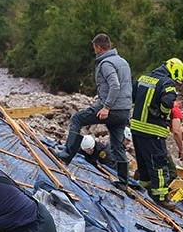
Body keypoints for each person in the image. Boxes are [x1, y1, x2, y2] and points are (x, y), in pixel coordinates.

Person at [56, 34, 133, 188]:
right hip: (124, 110)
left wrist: (106, 107)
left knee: (77, 119)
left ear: (98, 47)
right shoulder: (123, 62)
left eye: (94, 48)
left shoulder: (106, 63)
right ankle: (123, 182)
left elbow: (115, 85)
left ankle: (66, 154)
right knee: (118, 145)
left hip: (111, 107)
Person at [131, 58, 183, 207]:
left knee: (143, 161)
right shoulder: (167, 83)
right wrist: (161, 113)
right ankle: (161, 196)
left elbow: (133, 96)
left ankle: (144, 186)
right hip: (153, 129)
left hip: (136, 127)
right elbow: (167, 102)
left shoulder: (143, 78)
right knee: (159, 162)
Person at [164, 94, 183, 184]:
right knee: (172, 172)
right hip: (157, 139)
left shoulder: (163, 107)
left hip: (144, 136)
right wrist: (181, 150)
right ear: (180, 102)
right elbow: (176, 132)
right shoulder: (176, 110)